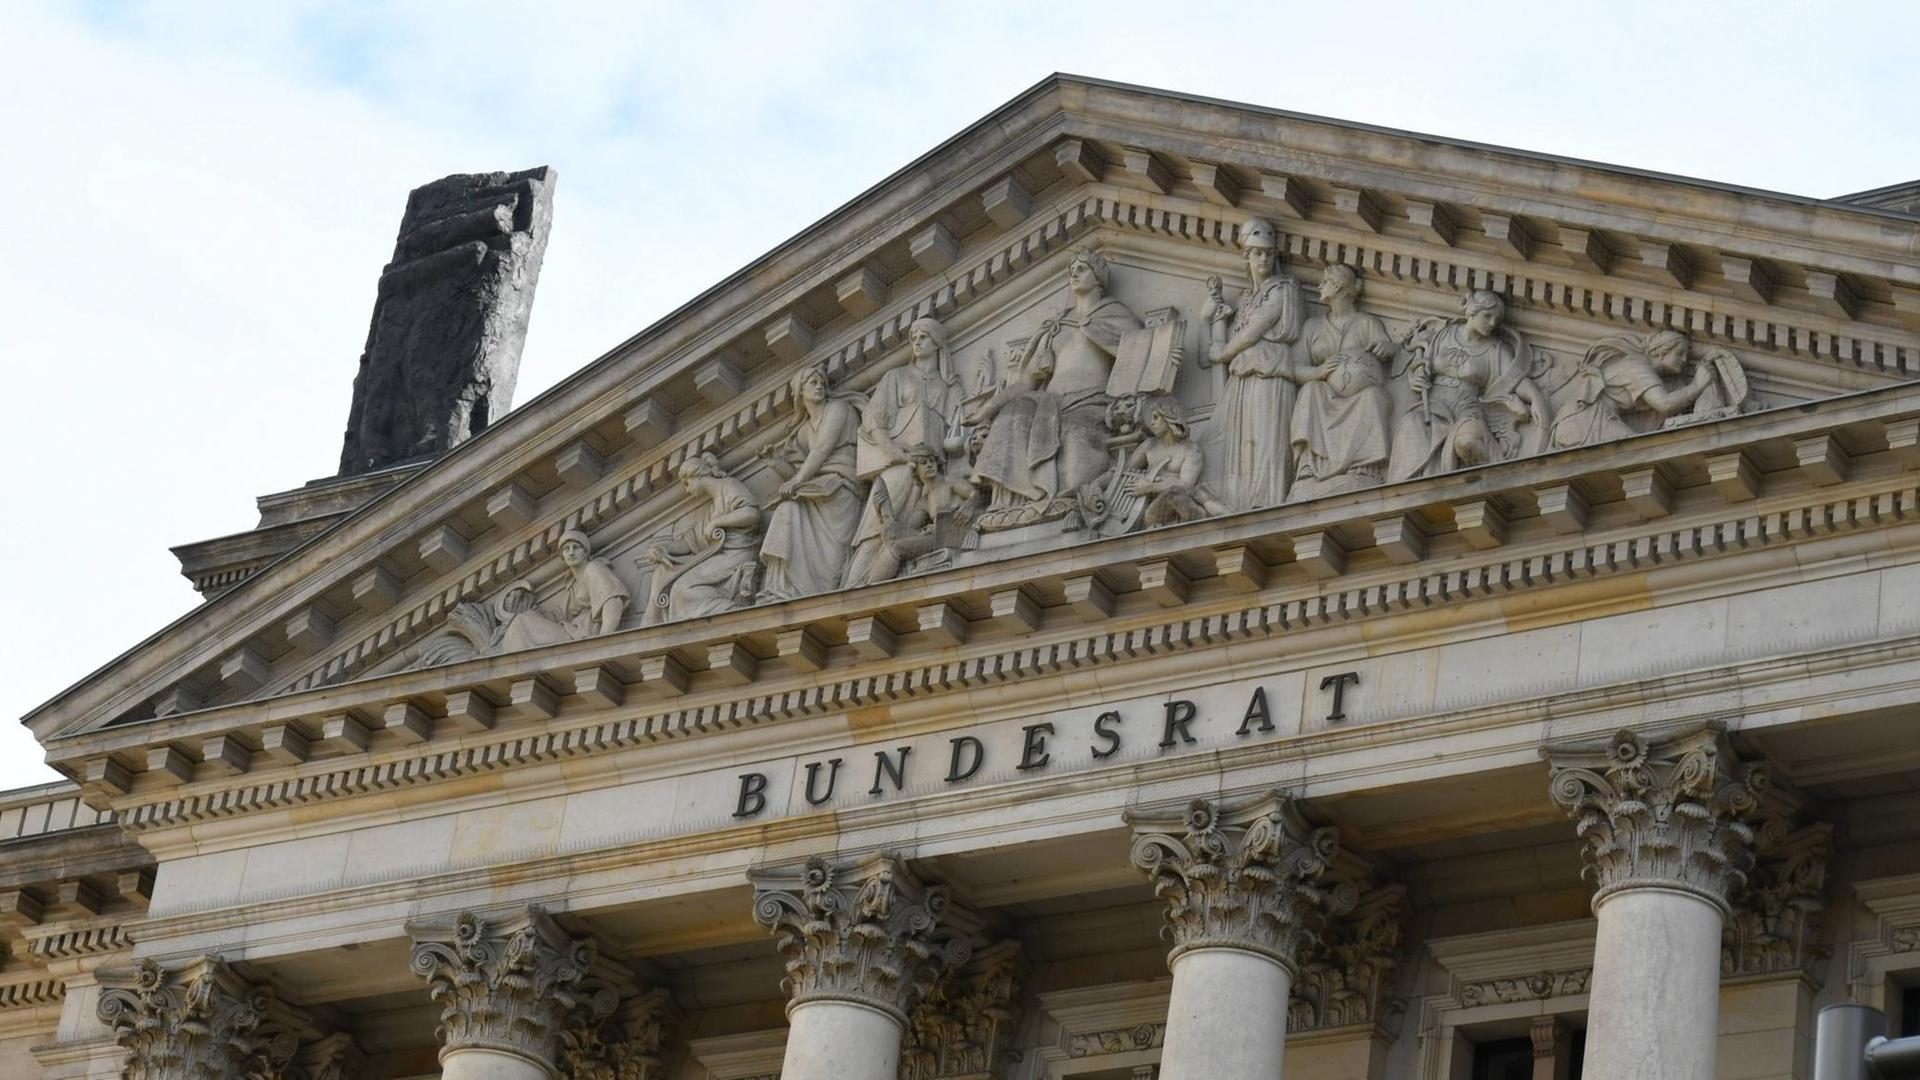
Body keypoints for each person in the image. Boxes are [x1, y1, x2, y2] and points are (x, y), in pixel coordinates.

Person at [967, 248, 1142, 528]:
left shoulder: (1114, 314)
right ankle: (1006, 505)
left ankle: (1066, 498)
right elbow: (1026, 381)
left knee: (1074, 429)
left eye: (1082, 268)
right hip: (1047, 402)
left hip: (1092, 402)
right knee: (1012, 414)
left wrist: (1093, 331)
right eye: (1071, 269)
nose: (1074, 274)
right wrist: (987, 408)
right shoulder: (1056, 327)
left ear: (1098, 277)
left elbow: (1138, 352)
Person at [842, 317, 962, 587]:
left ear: (938, 343)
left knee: (908, 532)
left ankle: (882, 583)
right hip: (899, 468)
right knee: (878, 529)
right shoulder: (896, 376)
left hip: (932, 475)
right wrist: (894, 452)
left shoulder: (948, 387)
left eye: (924, 336)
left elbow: (961, 423)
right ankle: (853, 586)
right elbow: (874, 420)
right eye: (914, 337)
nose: (917, 341)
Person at [1386, 290, 1551, 482]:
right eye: (1487, 316)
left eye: (1496, 320)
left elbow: (1517, 380)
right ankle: (1412, 489)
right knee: (1410, 424)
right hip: (1434, 405)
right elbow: (1421, 367)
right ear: (1471, 312)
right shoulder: (1444, 335)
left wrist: (1536, 399)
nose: (1491, 323)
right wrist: (1416, 378)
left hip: (1467, 408)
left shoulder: (1495, 350)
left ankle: (1490, 484)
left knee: (1467, 442)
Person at [1205, 217, 1302, 511]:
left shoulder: (1283, 288)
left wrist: (1223, 352)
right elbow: (1216, 349)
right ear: (1245, 256)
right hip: (1243, 379)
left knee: (1265, 440)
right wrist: (1213, 319)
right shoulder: (1246, 298)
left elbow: (1254, 331)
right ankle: (1240, 503)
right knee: (1241, 445)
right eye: (1257, 252)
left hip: (1269, 374)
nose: (1264, 258)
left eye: (1269, 252)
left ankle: (1266, 502)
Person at [757, 367, 866, 600]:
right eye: (812, 383)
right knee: (786, 509)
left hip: (842, 486)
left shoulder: (838, 409)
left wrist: (797, 481)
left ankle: (824, 589)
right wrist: (775, 463)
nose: (819, 386)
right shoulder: (804, 431)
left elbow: (822, 449)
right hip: (816, 488)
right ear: (800, 393)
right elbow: (798, 471)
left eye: (821, 382)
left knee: (833, 556)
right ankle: (781, 589)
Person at [1288, 265, 1395, 501]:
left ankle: (1365, 466)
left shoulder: (1366, 322)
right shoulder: (1312, 327)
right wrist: (1318, 371)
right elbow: (1294, 368)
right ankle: (1309, 467)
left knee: (1374, 397)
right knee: (1310, 390)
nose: (1319, 286)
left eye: (1325, 282)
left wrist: (1387, 347)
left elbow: (1385, 346)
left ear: (1339, 288)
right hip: (1325, 394)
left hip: (1360, 395)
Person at [639, 453, 762, 623]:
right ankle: (650, 622)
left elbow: (751, 513)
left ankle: (728, 613)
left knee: (683, 588)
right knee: (666, 574)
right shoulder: (713, 507)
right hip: (722, 556)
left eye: (687, 483)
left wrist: (717, 522)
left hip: (736, 556)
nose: (688, 490)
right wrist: (664, 548)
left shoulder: (729, 486)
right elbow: (691, 542)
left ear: (696, 475)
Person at [1549, 330, 1718, 449]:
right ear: (1660, 351)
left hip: (1591, 420)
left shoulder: (1640, 368)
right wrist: (1698, 385)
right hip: (1583, 423)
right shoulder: (1636, 367)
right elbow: (1664, 404)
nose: (1685, 359)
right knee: (1639, 452)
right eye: (1679, 353)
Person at [1123, 398, 1229, 527]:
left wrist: (1151, 487)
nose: (1152, 422)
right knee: (1177, 493)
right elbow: (1122, 472)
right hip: (1151, 511)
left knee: (1197, 491)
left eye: (1156, 417)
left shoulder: (1191, 450)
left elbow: (1186, 485)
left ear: (1169, 417)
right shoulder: (1149, 446)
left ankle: (1228, 519)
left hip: (1176, 498)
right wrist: (1098, 485)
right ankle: (1206, 518)